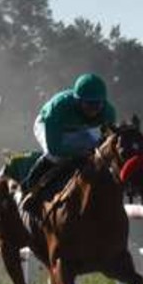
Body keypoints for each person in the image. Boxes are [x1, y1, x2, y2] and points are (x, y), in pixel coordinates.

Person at [18, 73, 118, 215]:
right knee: (55, 156)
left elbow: (108, 144)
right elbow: (54, 148)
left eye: (97, 104)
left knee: (100, 153)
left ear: (104, 102)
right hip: (48, 125)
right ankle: (30, 188)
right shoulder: (58, 108)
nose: (93, 109)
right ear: (78, 101)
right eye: (89, 104)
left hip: (77, 129)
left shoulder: (108, 113)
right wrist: (80, 152)